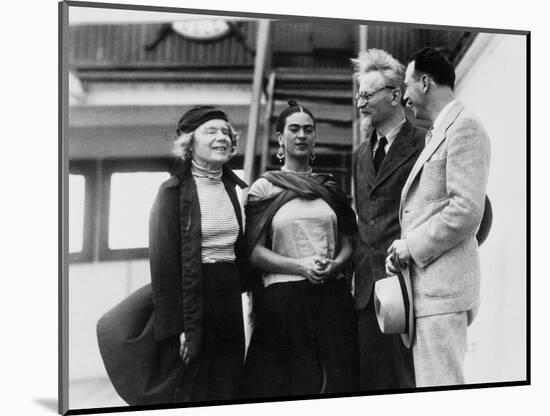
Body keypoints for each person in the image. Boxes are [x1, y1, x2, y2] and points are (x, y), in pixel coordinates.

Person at [97, 106, 249, 404]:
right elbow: (165, 267)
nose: (223, 137)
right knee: (193, 386)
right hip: (194, 299)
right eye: (211, 131)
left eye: (226, 132)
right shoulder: (171, 192)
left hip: (227, 299)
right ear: (189, 143)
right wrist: (181, 328)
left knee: (228, 382)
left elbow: (238, 251)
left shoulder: (231, 188)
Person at [387, 47, 491, 387]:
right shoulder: (439, 131)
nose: (404, 97)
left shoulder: (465, 127)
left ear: (426, 82)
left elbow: (466, 210)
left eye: (407, 85)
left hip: (442, 296)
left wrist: (411, 247)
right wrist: (402, 251)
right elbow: (431, 208)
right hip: (428, 294)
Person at [242, 100, 359, 398]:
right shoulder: (264, 188)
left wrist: (335, 265)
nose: (302, 135)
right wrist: (300, 266)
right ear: (280, 137)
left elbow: (349, 244)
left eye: (308, 129)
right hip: (283, 302)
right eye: (293, 129)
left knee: (337, 382)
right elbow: (254, 253)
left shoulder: (330, 188)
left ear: (315, 137)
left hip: (330, 296)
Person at [351, 48, 427, 390]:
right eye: (358, 95)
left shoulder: (426, 143)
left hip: (412, 287)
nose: (360, 102)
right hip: (368, 293)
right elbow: (364, 218)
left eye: (367, 94)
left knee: (412, 384)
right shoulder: (360, 154)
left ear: (395, 95)